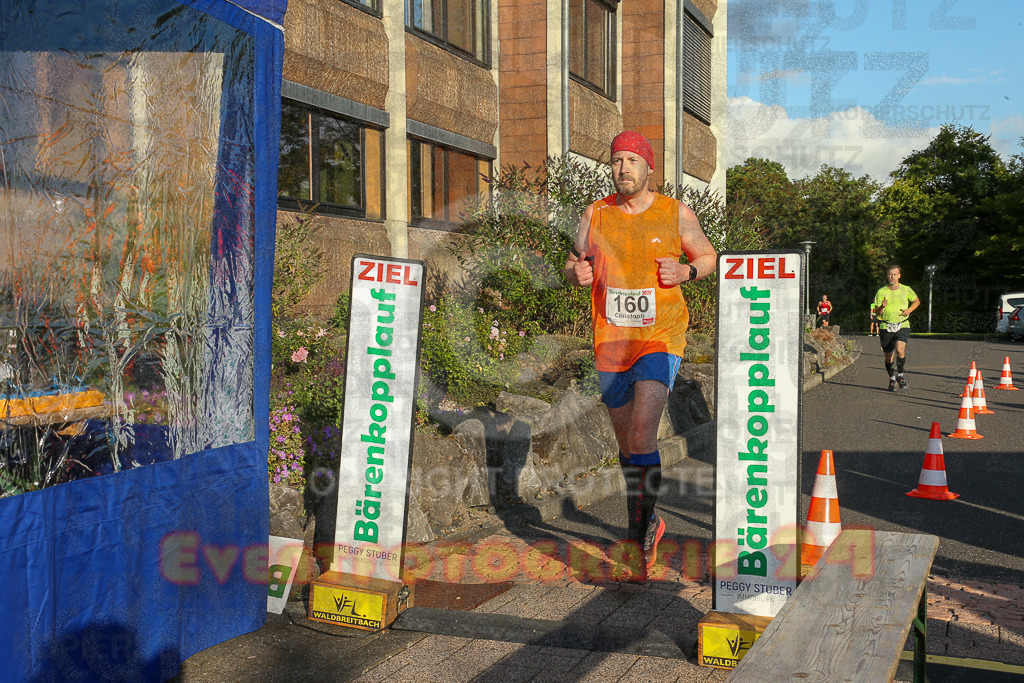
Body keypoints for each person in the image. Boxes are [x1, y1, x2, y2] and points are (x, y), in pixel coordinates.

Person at [564, 131, 717, 578]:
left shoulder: (675, 213)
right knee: (625, 442)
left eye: (632, 160)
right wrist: (576, 272)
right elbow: (573, 261)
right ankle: (649, 517)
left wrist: (686, 269)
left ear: (649, 168)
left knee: (642, 434)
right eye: (616, 160)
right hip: (610, 343)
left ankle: (636, 538)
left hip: (659, 338)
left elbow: (707, 256)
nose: (623, 168)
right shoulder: (596, 214)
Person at [872, 265, 920, 391]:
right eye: (890, 274)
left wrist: (909, 310)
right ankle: (892, 378)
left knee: (900, 349)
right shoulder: (881, 291)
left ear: (899, 276)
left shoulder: (906, 289)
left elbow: (916, 301)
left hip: (902, 324)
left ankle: (901, 376)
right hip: (885, 325)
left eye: (894, 274)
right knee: (889, 356)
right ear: (887, 276)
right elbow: (876, 312)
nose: (892, 277)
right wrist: (882, 306)